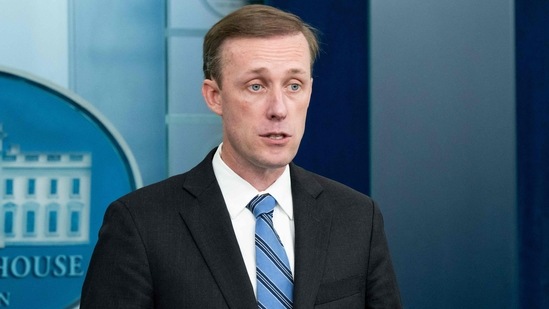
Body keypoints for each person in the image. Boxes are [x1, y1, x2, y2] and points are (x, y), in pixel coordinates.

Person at [80, 4, 402, 308]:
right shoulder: (141, 225)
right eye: (256, 86)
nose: (279, 109)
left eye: (293, 85)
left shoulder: (358, 218)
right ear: (215, 97)